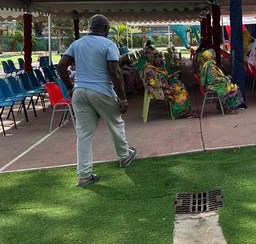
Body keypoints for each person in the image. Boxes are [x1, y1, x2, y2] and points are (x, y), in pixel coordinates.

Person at [57, 14, 136, 188]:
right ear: (106, 29)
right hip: (101, 91)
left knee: (84, 133)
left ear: (90, 27)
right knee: (115, 123)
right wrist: (122, 98)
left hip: (80, 92)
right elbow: (115, 72)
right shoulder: (108, 44)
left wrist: (70, 87)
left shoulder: (77, 44)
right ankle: (124, 156)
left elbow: (61, 66)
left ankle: (84, 175)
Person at [142, 51, 192, 116]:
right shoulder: (149, 69)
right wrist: (165, 86)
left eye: (159, 57)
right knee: (179, 91)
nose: (158, 59)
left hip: (163, 87)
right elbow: (152, 83)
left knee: (182, 87)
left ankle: (185, 110)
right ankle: (180, 112)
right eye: (156, 57)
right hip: (157, 90)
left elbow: (162, 78)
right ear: (152, 59)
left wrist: (172, 75)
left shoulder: (158, 68)